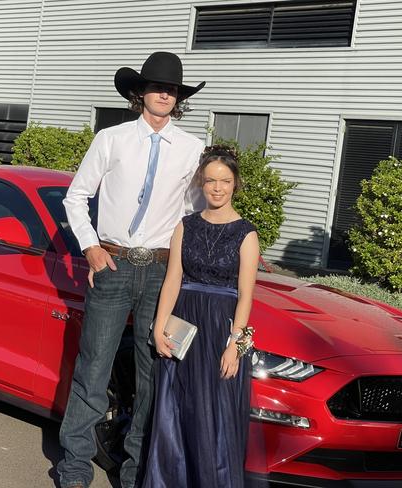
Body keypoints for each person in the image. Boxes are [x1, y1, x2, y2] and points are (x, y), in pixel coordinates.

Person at [58, 51, 206, 488]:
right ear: (140, 92)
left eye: (172, 89)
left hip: (161, 272)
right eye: (157, 86)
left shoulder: (192, 148)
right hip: (113, 264)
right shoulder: (112, 139)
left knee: (151, 376)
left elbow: (190, 215)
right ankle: (73, 471)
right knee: (93, 369)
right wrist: (91, 250)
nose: (164, 93)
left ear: (178, 98)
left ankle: (135, 472)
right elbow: (75, 197)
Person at [142, 145, 260, 488]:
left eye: (224, 181)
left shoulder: (246, 234)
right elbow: (172, 280)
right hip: (184, 329)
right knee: (175, 413)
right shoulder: (186, 226)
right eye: (210, 181)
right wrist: (159, 328)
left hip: (219, 333)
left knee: (215, 419)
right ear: (201, 183)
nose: (217, 188)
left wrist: (235, 346)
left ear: (235, 183)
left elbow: (246, 297)